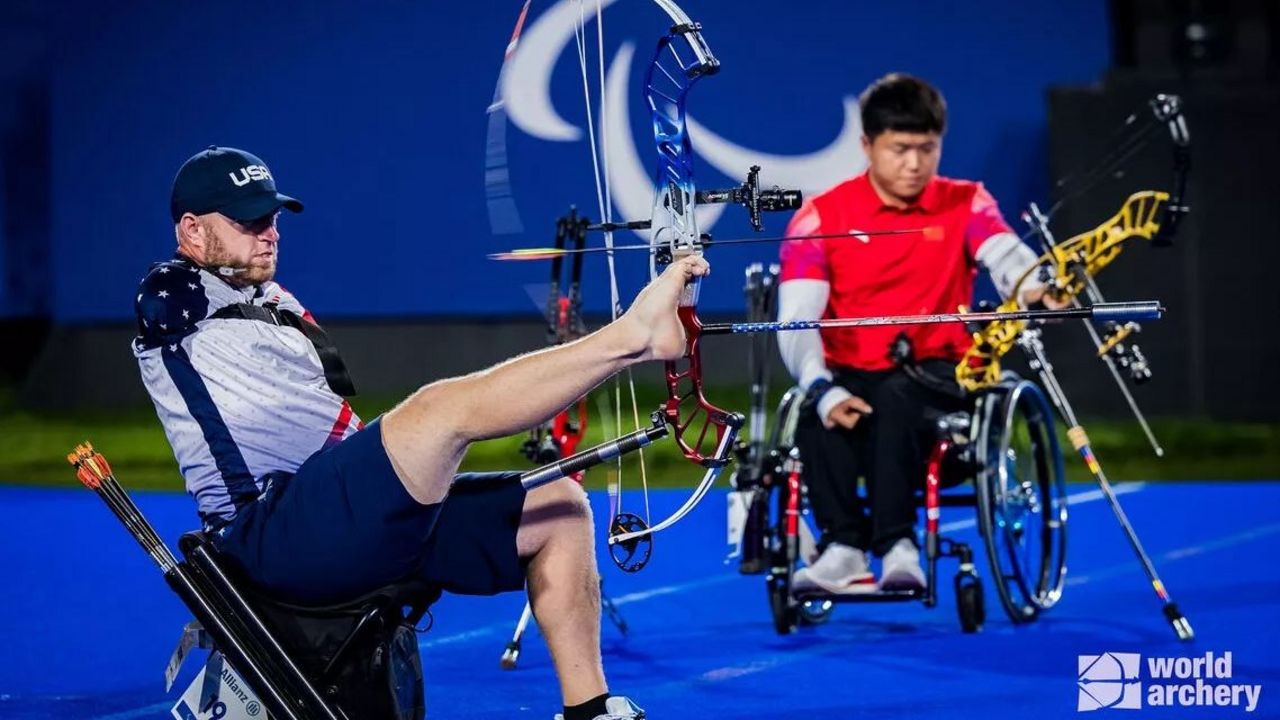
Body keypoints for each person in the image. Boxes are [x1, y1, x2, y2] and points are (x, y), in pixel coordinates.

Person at [133, 146, 706, 720]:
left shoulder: (269, 299)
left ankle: (590, 710)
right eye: (247, 221)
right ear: (191, 231)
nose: (269, 233)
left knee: (559, 508)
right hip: (268, 533)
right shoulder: (174, 296)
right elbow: (164, 298)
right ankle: (634, 338)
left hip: (337, 519)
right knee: (436, 411)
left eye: (272, 217)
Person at [777, 74, 1056, 595]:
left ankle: (899, 544)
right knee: (819, 418)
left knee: (897, 398)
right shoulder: (820, 217)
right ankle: (843, 548)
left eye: (927, 149)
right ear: (867, 146)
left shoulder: (967, 202)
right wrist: (821, 389)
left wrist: (1038, 284)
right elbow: (797, 318)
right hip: (850, 375)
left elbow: (1006, 255)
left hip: (939, 376)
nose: (914, 164)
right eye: (900, 149)